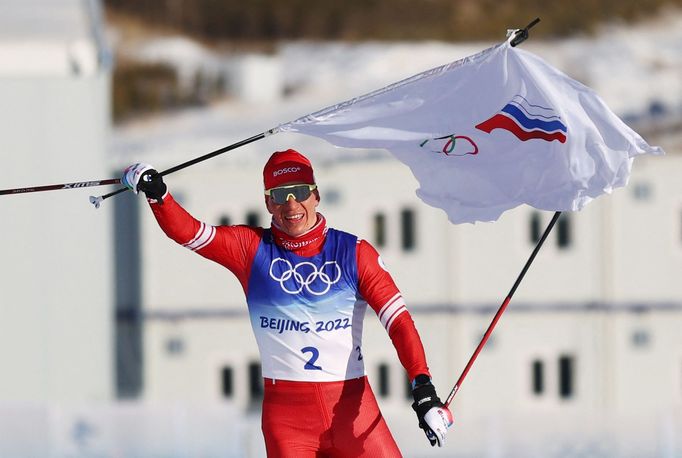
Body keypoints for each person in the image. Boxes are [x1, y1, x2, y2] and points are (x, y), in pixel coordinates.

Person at [122, 149, 453, 457]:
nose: (291, 204)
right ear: (268, 202)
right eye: (280, 195)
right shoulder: (250, 249)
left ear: (317, 194)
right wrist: (158, 195)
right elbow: (191, 233)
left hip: (353, 407)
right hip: (289, 420)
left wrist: (422, 386)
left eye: (300, 191)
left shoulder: (354, 252)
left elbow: (398, 320)